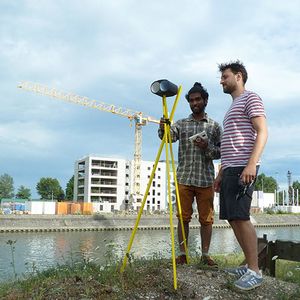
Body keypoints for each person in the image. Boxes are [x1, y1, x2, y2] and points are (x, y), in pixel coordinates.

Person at [214, 60, 268, 290]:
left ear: (238, 76)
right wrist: (221, 173)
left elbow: (262, 131)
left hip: (243, 168)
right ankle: (248, 265)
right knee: (232, 218)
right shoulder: (232, 107)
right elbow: (231, 143)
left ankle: (255, 271)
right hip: (230, 169)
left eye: (225, 76)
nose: (221, 81)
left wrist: (251, 164)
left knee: (242, 217)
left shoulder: (250, 98)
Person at [158, 82, 222, 266]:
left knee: (206, 220)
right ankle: (182, 254)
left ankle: (205, 255)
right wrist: (163, 128)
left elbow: (221, 151)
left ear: (205, 100)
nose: (195, 103)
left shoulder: (214, 127)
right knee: (183, 218)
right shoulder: (181, 124)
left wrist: (207, 147)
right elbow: (168, 138)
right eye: (192, 100)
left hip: (205, 178)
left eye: (198, 99)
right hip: (184, 177)